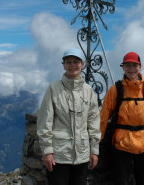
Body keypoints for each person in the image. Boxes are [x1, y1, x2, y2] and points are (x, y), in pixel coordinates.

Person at [37, 48, 101, 185]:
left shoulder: (88, 91)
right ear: (64, 65)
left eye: (76, 62)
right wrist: (47, 151)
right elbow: (45, 122)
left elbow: (93, 122)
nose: (72, 65)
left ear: (82, 64)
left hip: (82, 155)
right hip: (59, 156)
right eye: (68, 62)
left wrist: (94, 151)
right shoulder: (53, 88)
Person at [100, 51, 144, 185]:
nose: (131, 69)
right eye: (128, 66)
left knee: (143, 181)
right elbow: (103, 118)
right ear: (123, 67)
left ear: (140, 67)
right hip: (121, 145)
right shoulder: (115, 90)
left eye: (134, 66)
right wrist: (96, 143)